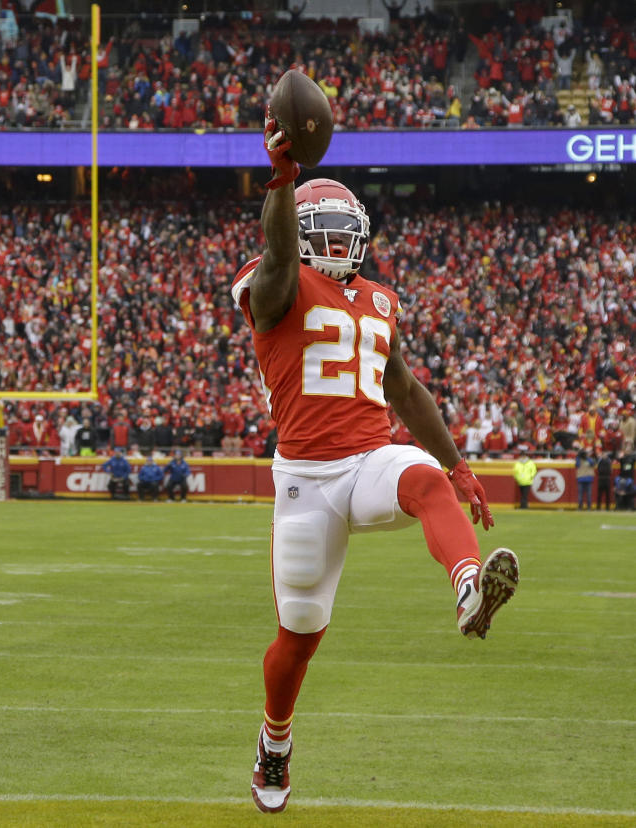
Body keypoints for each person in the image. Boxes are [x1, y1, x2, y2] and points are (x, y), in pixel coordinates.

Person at [234, 117, 518, 814]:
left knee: (421, 477)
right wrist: (281, 177)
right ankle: (274, 744)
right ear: (294, 229)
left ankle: (468, 588)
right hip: (306, 479)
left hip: (369, 459)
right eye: (317, 223)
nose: (334, 237)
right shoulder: (275, 282)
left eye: (343, 223)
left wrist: (456, 466)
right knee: (298, 641)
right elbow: (275, 262)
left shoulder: (381, 299)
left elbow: (406, 390)